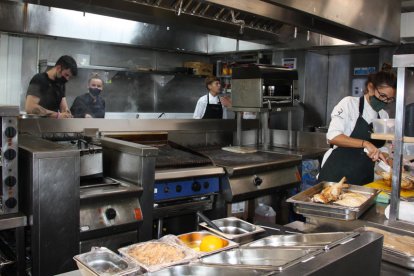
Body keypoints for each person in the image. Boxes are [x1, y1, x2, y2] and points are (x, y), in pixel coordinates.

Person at [318, 64, 397, 185]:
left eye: (389, 99)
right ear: (370, 88)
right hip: (336, 176)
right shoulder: (349, 104)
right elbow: (333, 137)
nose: (385, 101)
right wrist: (365, 143)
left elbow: (382, 146)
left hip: (364, 177)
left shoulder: (383, 115)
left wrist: (386, 157)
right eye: (382, 96)